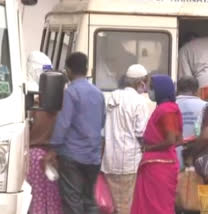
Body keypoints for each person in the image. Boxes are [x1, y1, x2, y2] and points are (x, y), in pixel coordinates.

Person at [50, 52, 105, 214]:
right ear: (86, 69)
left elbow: (63, 123)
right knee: (89, 200)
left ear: (68, 70)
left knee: (72, 200)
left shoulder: (71, 92)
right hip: (93, 156)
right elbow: (101, 123)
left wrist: (53, 149)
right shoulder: (98, 93)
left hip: (72, 156)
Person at [130, 74, 183, 214]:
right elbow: (178, 140)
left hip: (159, 168)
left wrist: (150, 148)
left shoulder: (166, 110)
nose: (149, 91)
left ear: (161, 90)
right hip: (160, 164)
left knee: (156, 207)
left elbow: (171, 140)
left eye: (152, 88)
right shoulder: (168, 108)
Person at [101, 64, 149, 214]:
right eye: (146, 82)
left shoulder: (111, 97)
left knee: (110, 206)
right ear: (140, 83)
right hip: (128, 163)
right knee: (125, 207)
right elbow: (141, 134)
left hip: (109, 161)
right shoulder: (139, 102)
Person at [26, 51, 63, 214]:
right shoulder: (61, 99)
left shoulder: (32, 98)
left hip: (34, 156)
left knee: (37, 197)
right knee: (53, 197)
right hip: (53, 156)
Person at [175, 77, 206, 169]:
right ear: (197, 90)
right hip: (197, 161)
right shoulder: (206, 106)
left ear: (177, 89)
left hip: (172, 161)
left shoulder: (168, 106)